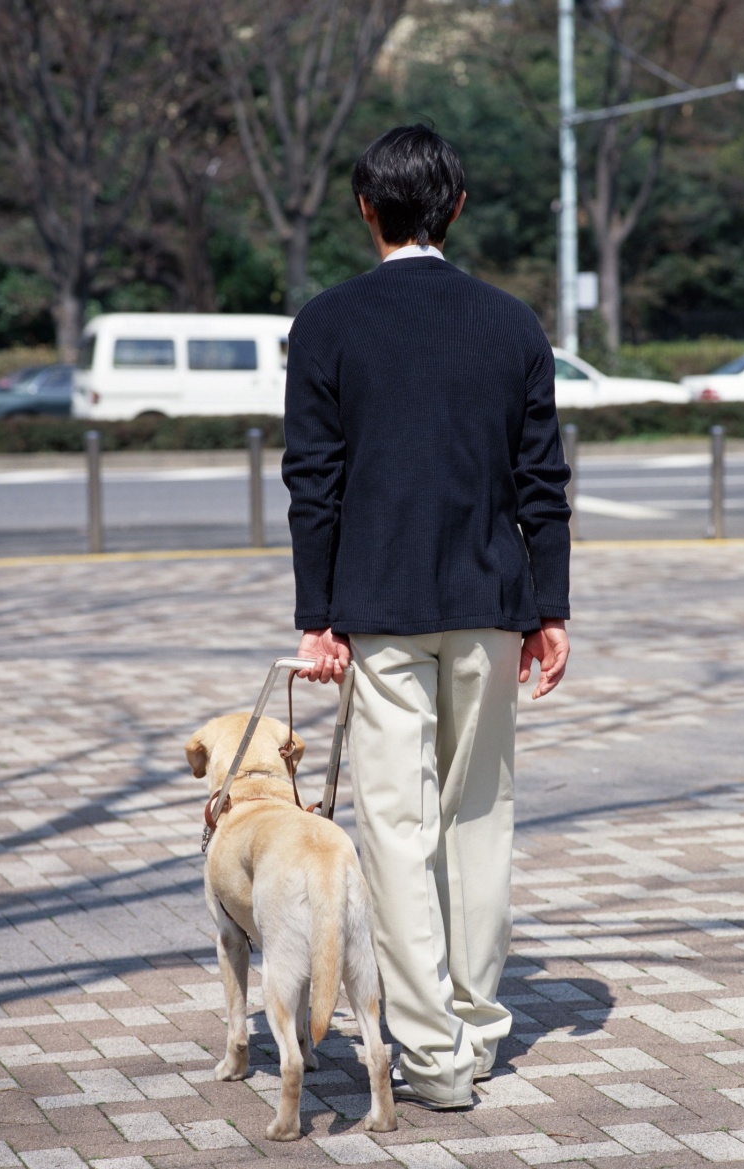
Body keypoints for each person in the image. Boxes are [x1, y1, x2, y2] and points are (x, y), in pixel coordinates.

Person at [282, 125, 571, 1111]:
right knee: (478, 814)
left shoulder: (326, 322)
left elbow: (312, 481)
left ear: (367, 210)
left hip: (378, 607)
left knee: (395, 826)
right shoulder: (510, 323)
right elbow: (541, 480)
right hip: (491, 603)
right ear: (452, 208)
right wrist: (550, 607)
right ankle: (478, 1028)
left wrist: (315, 616)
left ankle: (432, 1053)